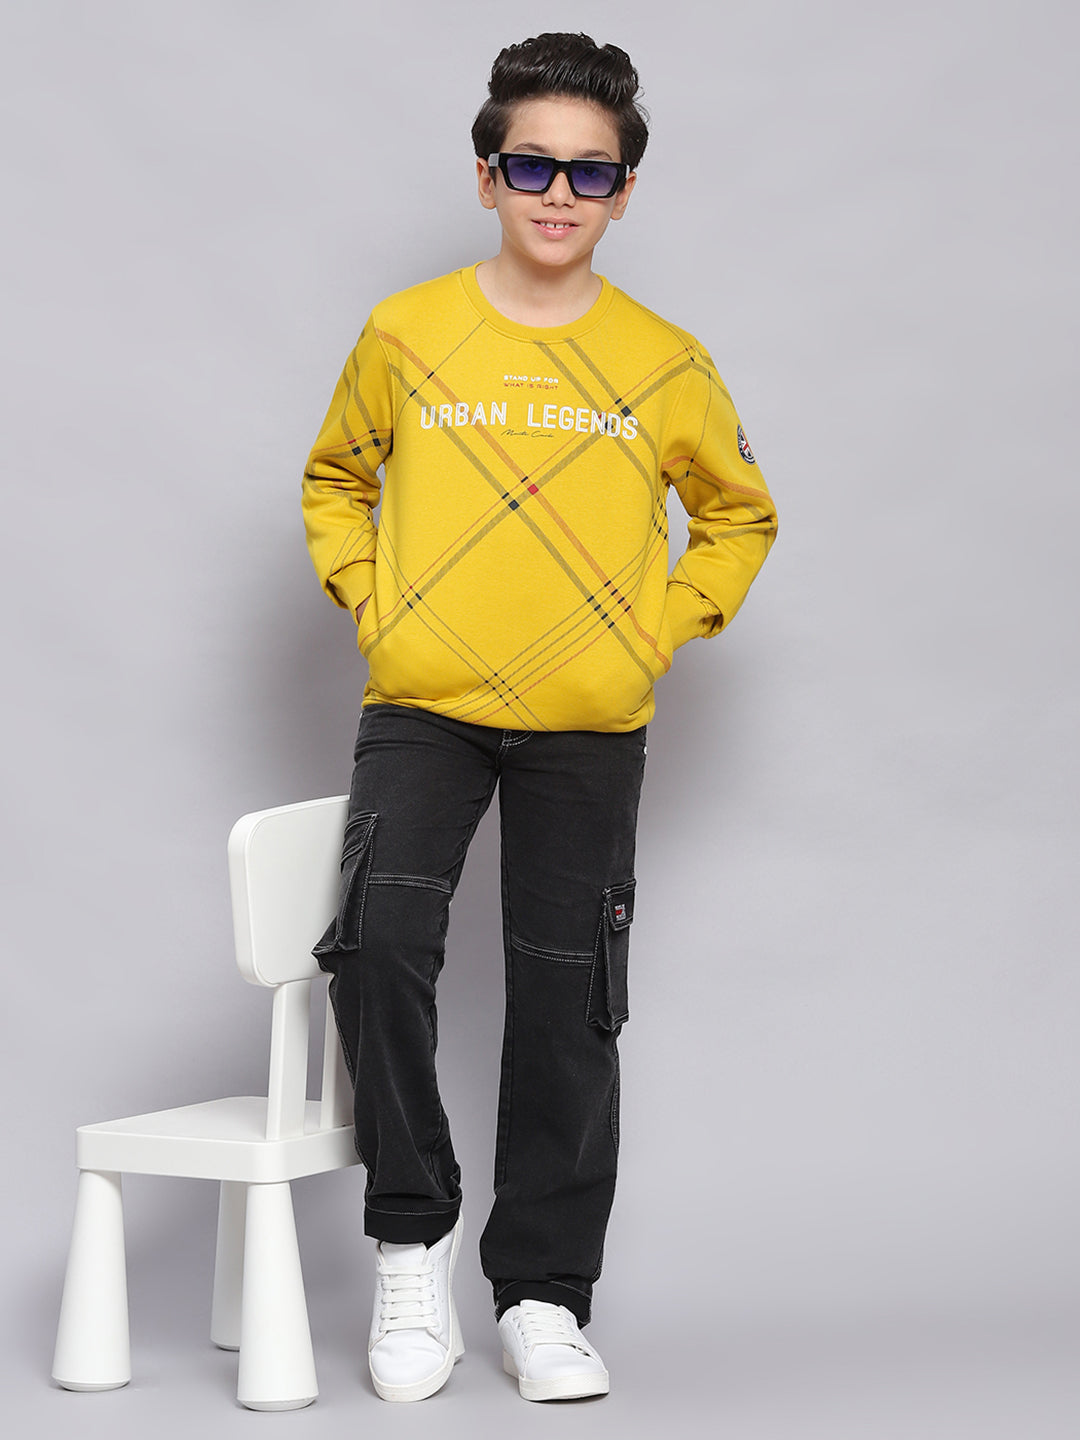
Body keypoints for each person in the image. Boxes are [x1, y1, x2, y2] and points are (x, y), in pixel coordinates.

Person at [301, 31, 777, 1405]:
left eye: (589, 171)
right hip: (425, 704)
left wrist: (657, 628)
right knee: (378, 945)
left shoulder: (665, 361)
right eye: (531, 165)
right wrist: (376, 606)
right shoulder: (406, 331)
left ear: (624, 193)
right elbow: (336, 481)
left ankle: (543, 1295)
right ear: (485, 175)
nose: (557, 192)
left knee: (570, 997)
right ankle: (413, 1241)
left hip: (587, 723)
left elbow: (740, 517)